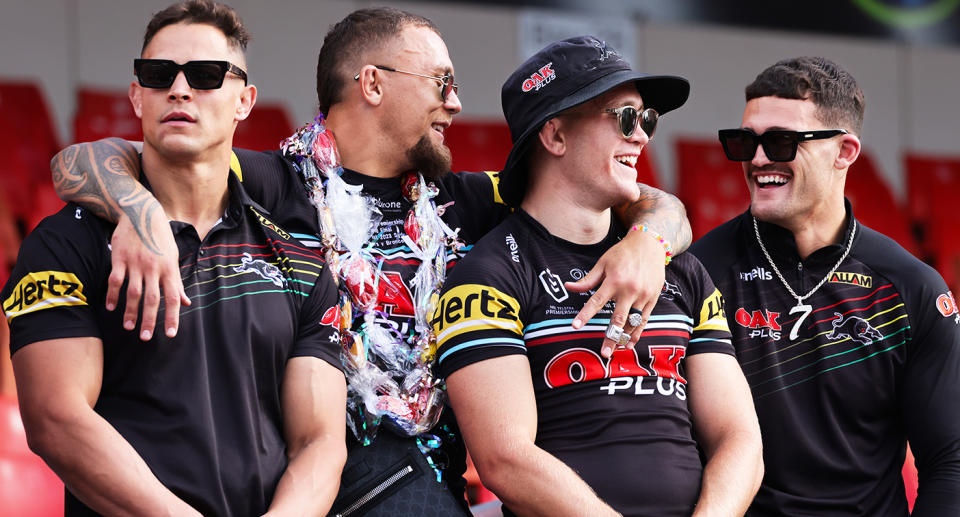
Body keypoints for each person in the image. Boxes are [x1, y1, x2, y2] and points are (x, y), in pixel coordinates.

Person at [49, 7, 692, 513]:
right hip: (328, 466)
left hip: (434, 467)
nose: (457, 103)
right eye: (442, 82)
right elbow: (87, 158)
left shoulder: (461, 199)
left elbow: (619, 192)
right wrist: (138, 211)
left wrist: (649, 241)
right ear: (373, 85)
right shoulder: (275, 180)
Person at [2, 1, 347, 515]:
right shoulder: (64, 243)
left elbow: (319, 442)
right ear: (137, 96)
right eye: (158, 74)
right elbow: (56, 420)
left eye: (207, 75)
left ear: (244, 101)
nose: (179, 89)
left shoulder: (299, 260)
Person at [433, 36, 763, 517]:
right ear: (555, 136)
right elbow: (505, 460)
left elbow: (740, 438)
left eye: (646, 119)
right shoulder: (488, 273)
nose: (642, 136)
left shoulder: (680, 265)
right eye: (626, 118)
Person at [690, 56, 960, 516]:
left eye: (780, 142)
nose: (757, 159)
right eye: (744, 142)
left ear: (845, 152)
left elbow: (950, 461)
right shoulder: (699, 273)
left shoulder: (912, 288)